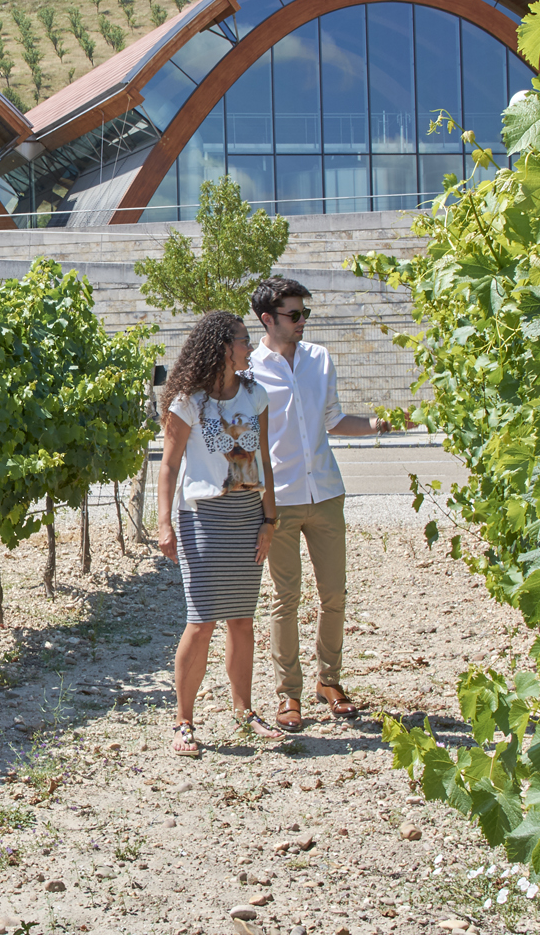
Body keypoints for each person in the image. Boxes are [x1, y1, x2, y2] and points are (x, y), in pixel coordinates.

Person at [248, 277, 407, 732]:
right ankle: (288, 696)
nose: (302, 322)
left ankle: (329, 682)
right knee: (285, 599)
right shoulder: (251, 369)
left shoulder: (320, 359)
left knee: (334, 594)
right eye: (294, 315)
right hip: (279, 501)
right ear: (268, 319)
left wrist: (379, 424)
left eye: (305, 315)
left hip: (327, 494)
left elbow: (334, 420)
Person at [155, 311, 279, 756]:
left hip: (247, 515)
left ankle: (245, 712)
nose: (251, 347)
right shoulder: (188, 401)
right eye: (245, 340)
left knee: (242, 620)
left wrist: (270, 520)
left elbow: (263, 459)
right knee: (202, 620)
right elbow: (167, 466)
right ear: (223, 347)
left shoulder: (255, 395)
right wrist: (164, 522)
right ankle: (183, 722)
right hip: (202, 518)